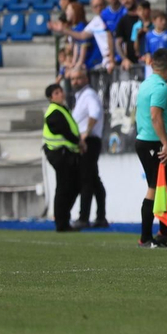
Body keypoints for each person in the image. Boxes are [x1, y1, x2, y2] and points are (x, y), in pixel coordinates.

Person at [135, 47, 167, 249]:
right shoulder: (161, 87)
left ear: (152, 65)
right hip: (153, 143)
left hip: (146, 141)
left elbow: (159, 94)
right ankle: (146, 238)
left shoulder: (148, 84)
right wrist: (165, 142)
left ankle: (164, 233)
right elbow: (155, 115)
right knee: (155, 187)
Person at [67, 66, 107, 230]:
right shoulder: (82, 96)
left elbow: (95, 112)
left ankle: (84, 218)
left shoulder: (89, 95)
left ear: (86, 79)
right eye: (73, 79)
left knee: (86, 180)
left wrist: (85, 133)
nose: (75, 82)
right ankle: (100, 217)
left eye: (78, 78)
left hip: (89, 142)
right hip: (89, 142)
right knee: (94, 180)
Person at [42, 82, 82, 234]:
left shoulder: (60, 109)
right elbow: (65, 132)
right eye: (56, 93)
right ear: (51, 98)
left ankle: (64, 218)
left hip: (66, 153)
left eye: (60, 91)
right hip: (59, 154)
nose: (60, 94)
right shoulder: (54, 112)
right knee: (64, 187)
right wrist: (79, 142)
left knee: (71, 186)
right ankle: (61, 222)